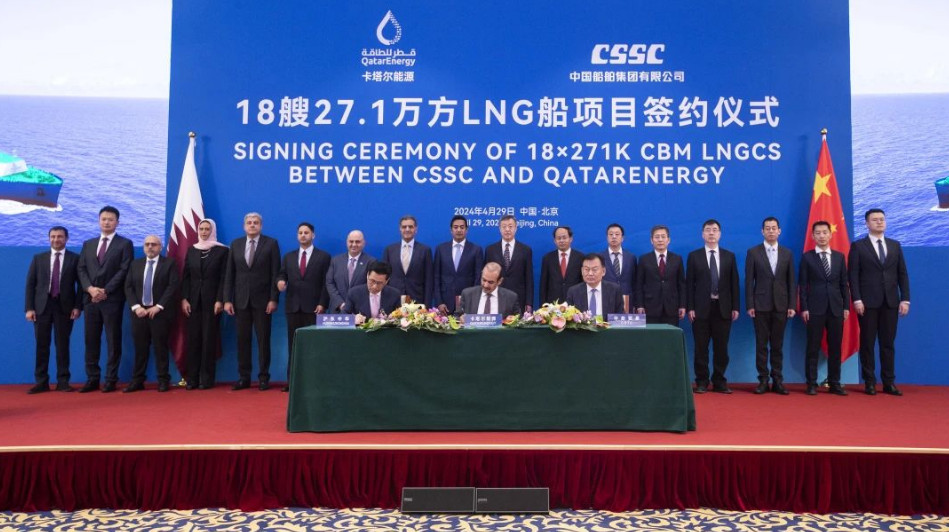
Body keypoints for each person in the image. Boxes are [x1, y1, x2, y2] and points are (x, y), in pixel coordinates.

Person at [849, 208, 910, 396]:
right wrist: (857, 299)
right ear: (867, 223)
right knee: (867, 343)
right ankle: (869, 382)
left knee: (887, 343)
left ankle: (888, 382)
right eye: (875, 219)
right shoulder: (858, 246)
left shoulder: (894, 245)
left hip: (891, 302)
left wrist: (905, 299)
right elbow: (853, 275)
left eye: (882, 219)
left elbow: (902, 274)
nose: (879, 222)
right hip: (867, 303)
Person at [77, 206, 134, 393]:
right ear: (99, 220)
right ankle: (92, 378)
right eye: (103, 219)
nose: (107, 222)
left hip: (112, 300)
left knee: (113, 340)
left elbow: (124, 270)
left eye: (110, 219)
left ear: (117, 222)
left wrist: (105, 290)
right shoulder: (88, 244)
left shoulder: (125, 244)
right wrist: (90, 289)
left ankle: (111, 379)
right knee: (91, 340)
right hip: (90, 300)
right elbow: (81, 269)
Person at [223, 212, 281, 391]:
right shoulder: (236, 244)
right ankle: (244, 378)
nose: (252, 225)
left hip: (263, 302)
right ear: (244, 226)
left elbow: (275, 273)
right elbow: (229, 274)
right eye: (249, 222)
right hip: (240, 301)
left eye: (256, 222)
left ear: (261, 226)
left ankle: (263, 378)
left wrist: (273, 298)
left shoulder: (271, 244)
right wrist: (227, 299)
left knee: (263, 340)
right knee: (243, 340)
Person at [24, 226, 82, 394]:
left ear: (66, 238)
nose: (56, 239)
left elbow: (81, 286)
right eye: (53, 236)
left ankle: (63, 381)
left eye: (60, 236)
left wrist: (78, 306)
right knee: (42, 345)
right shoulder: (38, 258)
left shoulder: (75, 259)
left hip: (65, 307)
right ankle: (41, 382)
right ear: (49, 238)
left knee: (62, 345)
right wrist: (29, 308)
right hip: (41, 307)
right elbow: (30, 285)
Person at [686, 219, 740, 394]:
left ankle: (719, 381)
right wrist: (690, 307)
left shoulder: (729, 256)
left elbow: (734, 283)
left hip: (723, 308)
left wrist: (735, 307)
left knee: (721, 348)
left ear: (720, 234)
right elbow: (689, 284)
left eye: (714, 230)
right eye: (708, 230)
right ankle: (702, 381)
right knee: (701, 348)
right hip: (700, 309)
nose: (711, 233)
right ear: (702, 234)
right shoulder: (694, 256)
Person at [744, 217, 796, 395]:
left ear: (779, 231)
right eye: (767, 228)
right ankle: (763, 380)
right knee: (761, 344)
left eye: (774, 228)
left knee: (777, 345)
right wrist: (750, 304)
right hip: (760, 305)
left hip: (781, 305)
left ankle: (778, 380)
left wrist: (792, 304)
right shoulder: (753, 252)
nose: (771, 231)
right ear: (762, 231)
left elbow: (791, 281)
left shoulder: (787, 253)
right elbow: (749, 281)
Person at [277, 222, 331, 392]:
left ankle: (313, 381)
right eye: (300, 232)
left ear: (313, 235)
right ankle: (292, 382)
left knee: (314, 346)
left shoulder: (324, 257)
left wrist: (322, 303)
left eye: (306, 232)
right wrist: (280, 281)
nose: (303, 235)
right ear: (297, 235)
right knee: (293, 345)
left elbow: (327, 283)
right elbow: (282, 274)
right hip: (293, 307)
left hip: (314, 308)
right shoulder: (289, 257)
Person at [123, 235, 180, 393]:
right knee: (140, 348)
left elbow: (172, 286)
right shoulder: (135, 264)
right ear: (143, 247)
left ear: (160, 247)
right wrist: (136, 307)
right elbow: (128, 287)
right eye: (147, 244)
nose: (150, 247)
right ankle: (137, 380)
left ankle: (163, 380)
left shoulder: (169, 264)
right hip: (139, 313)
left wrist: (159, 306)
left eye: (154, 244)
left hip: (160, 314)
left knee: (160, 347)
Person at [799, 221, 850, 396]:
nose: (821, 236)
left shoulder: (839, 257)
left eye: (824, 232)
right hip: (814, 308)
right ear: (813, 236)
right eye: (818, 233)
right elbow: (803, 285)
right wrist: (804, 308)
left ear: (830, 234)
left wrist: (846, 306)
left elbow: (844, 284)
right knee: (812, 347)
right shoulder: (807, 257)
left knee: (835, 347)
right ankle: (811, 383)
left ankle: (834, 382)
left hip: (836, 308)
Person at [181, 218, 229, 390]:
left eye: (207, 229)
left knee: (209, 340)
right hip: (193, 302)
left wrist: (220, 299)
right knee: (193, 340)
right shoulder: (192, 250)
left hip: (212, 302)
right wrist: (184, 298)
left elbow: (224, 278)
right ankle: (192, 379)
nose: (203, 232)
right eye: (201, 229)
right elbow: (186, 277)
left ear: (212, 231)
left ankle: (207, 379)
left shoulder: (222, 251)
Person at [634, 225, 686, 326]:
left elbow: (681, 284)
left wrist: (682, 305)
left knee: (670, 335)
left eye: (663, 236)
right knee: (651, 335)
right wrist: (640, 305)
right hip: (650, 307)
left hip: (672, 307)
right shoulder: (644, 259)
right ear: (651, 240)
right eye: (657, 237)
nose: (660, 240)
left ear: (668, 240)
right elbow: (639, 284)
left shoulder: (677, 259)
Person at [433, 215, 484, 314]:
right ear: (451, 230)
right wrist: (439, 302)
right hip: (445, 304)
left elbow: (478, 279)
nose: (459, 230)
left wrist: (472, 302)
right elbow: (436, 277)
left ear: (467, 230)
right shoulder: (441, 249)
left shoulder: (476, 250)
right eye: (455, 227)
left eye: (462, 227)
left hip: (467, 302)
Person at [484, 215, 534, 312]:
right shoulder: (490, 250)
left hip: (519, 298)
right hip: (495, 297)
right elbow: (485, 277)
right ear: (500, 229)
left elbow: (529, 279)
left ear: (516, 228)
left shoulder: (525, 250)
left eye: (510, 226)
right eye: (504, 226)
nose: (507, 229)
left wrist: (529, 303)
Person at [381, 215, 433, 306]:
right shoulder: (389, 250)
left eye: (410, 227)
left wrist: (427, 304)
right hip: (393, 299)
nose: (407, 229)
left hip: (417, 299)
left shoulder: (425, 250)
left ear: (416, 229)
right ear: (400, 229)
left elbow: (429, 279)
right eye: (404, 227)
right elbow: (384, 277)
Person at [325, 230, 374, 313]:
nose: (354, 244)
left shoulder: (371, 262)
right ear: (346, 242)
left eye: (357, 242)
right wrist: (340, 303)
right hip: (338, 309)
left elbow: (370, 286)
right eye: (351, 241)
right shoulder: (335, 261)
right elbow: (330, 283)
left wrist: (354, 304)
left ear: (364, 243)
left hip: (360, 310)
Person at [539, 226, 584, 305]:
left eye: (564, 237)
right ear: (554, 241)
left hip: (574, 303)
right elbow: (543, 285)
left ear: (571, 239)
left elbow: (583, 283)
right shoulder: (547, 258)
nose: (561, 240)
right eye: (558, 238)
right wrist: (543, 306)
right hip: (553, 305)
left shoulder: (580, 257)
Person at [599, 223, 637, 311]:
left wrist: (636, 303)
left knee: (624, 320)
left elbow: (635, 282)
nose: (614, 237)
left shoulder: (631, 257)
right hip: (605, 299)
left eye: (617, 234)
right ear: (607, 237)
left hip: (627, 300)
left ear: (622, 238)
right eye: (611, 234)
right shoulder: (599, 257)